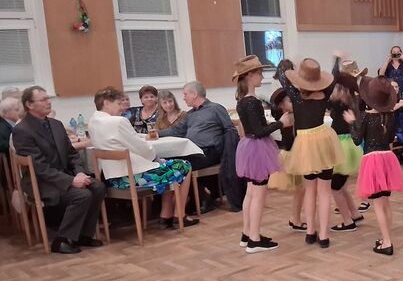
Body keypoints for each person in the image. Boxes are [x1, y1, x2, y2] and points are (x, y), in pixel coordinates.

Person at [12, 86, 106, 254]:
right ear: (29, 105)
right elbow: (39, 167)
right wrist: (71, 181)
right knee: (82, 195)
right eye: (43, 100)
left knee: (98, 187)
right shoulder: (22, 130)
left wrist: (79, 172)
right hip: (41, 181)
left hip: (64, 175)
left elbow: (72, 154)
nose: (48, 102)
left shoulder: (56, 124)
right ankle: (61, 239)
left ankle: (83, 235)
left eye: (48, 98)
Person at [88, 87, 197, 230]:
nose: (122, 107)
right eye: (118, 103)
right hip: (133, 177)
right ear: (106, 103)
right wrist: (155, 156)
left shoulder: (93, 121)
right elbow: (143, 149)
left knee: (168, 168)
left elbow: (126, 140)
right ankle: (179, 215)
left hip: (112, 178)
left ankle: (166, 216)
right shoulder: (118, 121)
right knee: (184, 165)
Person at [276, 55, 348, 248]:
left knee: (310, 190)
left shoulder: (295, 97)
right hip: (324, 140)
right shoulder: (325, 94)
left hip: (305, 143)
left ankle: (310, 232)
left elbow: (282, 77)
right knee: (324, 192)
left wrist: (287, 66)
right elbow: (334, 76)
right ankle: (324, 235)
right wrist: (336, 60)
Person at [344, 76, 403, 256]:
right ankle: (386, 237)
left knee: (378, 204)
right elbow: (390, 138)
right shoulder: (390, 116)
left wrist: (352, 122)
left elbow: (357, 140)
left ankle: (387, 242)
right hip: (387, 159)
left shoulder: (365, 117)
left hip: (373, 161)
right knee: (385, 202)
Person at [232, 56, 288, 253]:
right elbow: (259, 131)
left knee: (251, 192)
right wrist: (281, 123)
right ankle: (254, 239)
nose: (262, 76)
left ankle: (247, 233)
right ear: (249, 75)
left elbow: (254, 128)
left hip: (249, 147)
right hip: (257, 148)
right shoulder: (252, 102)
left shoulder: (242, 101)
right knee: (259, 194)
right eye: (258, 73)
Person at [159, 81, 233, 209]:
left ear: (194, 94)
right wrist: (156, 134)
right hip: (193, 152)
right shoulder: (190, 114)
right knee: (167, 162)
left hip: (210, 152)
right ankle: (200, 197)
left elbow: (230, 130)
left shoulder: (215, 109)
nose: (183, 98)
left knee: (180, 166)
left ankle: (200, 198)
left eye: (185, 94)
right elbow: (176, 131)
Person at [329, 60, 367, 233]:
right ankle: (354, 214)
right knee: (341, 184)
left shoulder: (340, 102)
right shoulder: (353, 99)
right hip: (347, 144)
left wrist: (336, 60)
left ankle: (347, 221)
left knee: (335, 187)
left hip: (342, 146)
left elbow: (332, 81)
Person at [267, 86, 306, 231]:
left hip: (295, 154)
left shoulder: (290, 116)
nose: (294, 103)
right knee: (301, 189)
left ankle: (295, 218)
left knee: (301, 190)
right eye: (290, 101)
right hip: (292, 156)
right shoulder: (288, 118)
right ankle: (295, 219)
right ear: (282, 105)